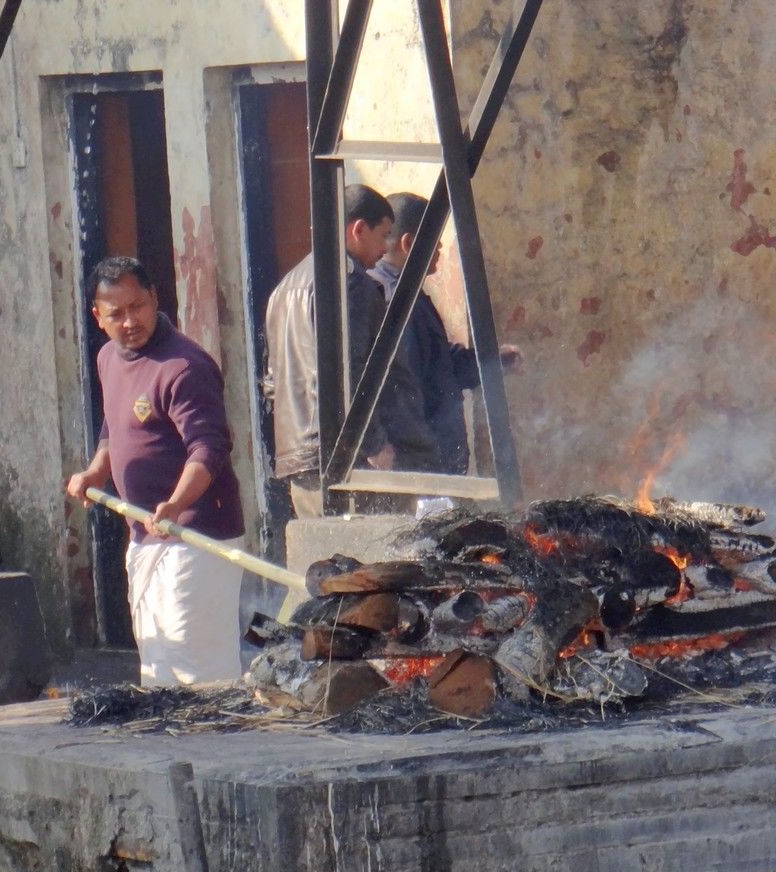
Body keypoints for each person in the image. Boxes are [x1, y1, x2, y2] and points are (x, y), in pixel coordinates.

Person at [66, 256, 245, 687]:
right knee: (158, 661)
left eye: (138, 307)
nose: (130, 321)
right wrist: (95, 472)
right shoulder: (108, 357)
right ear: (99, 318)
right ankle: (174, 753)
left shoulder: (184, 366)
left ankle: (214, 749)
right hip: (144, 534)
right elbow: (114, 426)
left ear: (155, 300)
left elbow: (209, 446)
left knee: (195, 664)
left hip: (195, 538)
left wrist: (178, 503)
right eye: (116, 314)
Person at [263, 183, 439, 519]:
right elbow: (350, 371)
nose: (385, 247)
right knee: (372, 566)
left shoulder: (284, 289)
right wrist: (373, 443)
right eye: (384, 235)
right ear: (358, 230)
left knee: (325, 567)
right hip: (347, 462)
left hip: (300, 459)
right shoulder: (349, 282)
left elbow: (273, 383)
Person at [370, 192, 521, 475]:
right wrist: (424, 458)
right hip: (422, 467)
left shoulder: (408, 296)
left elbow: (440, 367)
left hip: (431, 459)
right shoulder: (395, 304)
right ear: (409, 244)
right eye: (435, 238)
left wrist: (491, 362)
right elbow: (410, 389)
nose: (440, 247)